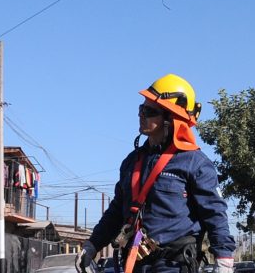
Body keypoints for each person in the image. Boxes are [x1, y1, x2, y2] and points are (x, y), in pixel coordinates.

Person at [76, 74, 235, 273]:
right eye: (141, 109)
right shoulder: (132, 161)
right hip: (133, 263)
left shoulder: (195, 163)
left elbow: (214, 214)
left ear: (171, 118)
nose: (141, 115)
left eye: (149, 111)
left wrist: (224, 259)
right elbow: (116, 211)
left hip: (174, 265)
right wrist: (93, 244)